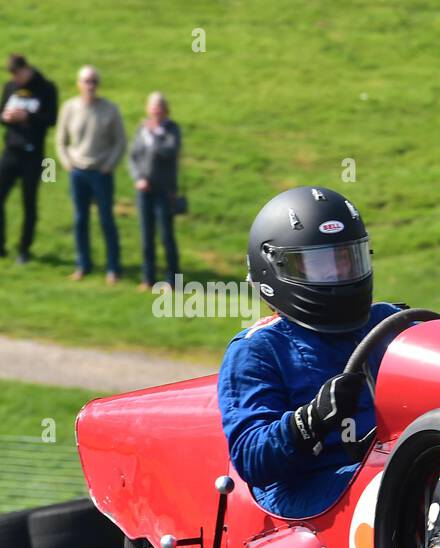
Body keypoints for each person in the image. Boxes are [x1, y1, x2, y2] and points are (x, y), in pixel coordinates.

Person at [217, 186, 404, 519]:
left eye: (346, 260)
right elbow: (250, 458)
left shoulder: (388, 320)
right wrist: (309, 421)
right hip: (302, 491)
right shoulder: (257, 349)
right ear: (275, 267)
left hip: (391, 464)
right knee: (406, 485)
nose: (339, 276)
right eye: (320, 265)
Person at [54, 64, 125, 284]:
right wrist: (67, 163)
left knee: (106, 220)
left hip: (101, 173)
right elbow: (60, 140)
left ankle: (113, 268)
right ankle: (82, 265)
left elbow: (120, 141)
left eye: (94, 81)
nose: (90, 85)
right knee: (80, 219)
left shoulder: (110, 109)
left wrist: (109, 165)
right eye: (86, 81)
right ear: (78, 84)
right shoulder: (69, 108)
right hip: (78, 172)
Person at [0, 54, 58, 264]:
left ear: (26, 69)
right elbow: (1, 113)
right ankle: (1, 246)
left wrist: (27, 117)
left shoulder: (46, 88)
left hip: (34, 155)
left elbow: (52, 119)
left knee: (29, 202)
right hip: (11, 150)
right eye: (12, 75)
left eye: (17, 74)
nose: (15, 79)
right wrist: (6, 118)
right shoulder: (9, 87)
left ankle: (24, 248)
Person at [127, 91, 181, 289]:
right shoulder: (142, 129)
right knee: (146, 236)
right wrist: (138, 178)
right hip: (144, 191)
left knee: (166, 236)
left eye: (159, 107)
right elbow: (133, 156)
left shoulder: (171, 130)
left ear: (165, 109)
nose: (155, 110)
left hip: (164, 191)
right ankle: (147, 277)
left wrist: (155, 137)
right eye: (152, 107)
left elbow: (169, 151)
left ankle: (173, 280)